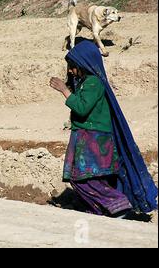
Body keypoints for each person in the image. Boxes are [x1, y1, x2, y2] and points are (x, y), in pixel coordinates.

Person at [50, 40, 157, 218]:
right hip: (85, 135)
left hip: (92, 137)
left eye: (73, 67)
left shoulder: (93, 83)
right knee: (85, 178)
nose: (70, 70)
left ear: (83, 64)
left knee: (82, 178)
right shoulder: (86, 83)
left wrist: (64, 90)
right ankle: (104, 210)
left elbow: (82, 108)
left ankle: (119, 207)